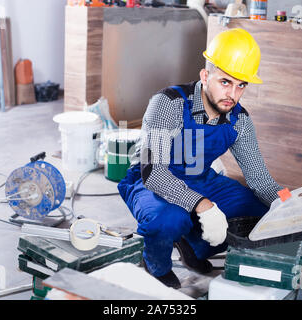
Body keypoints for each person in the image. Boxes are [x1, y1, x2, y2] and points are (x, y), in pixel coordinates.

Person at [117, 28, 285, 289]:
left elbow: (261, 181)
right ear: (205, 76)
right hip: (151, 178)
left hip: (201, 177)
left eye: (241, 85)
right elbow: (153, 172)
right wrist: (202, 204)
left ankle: (194, 249)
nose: (233, 94)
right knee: (170, 220)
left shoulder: (240, 120)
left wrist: (292, 206)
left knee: (263, 212)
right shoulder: (167, 103)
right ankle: (156, 265)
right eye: (225, 82)